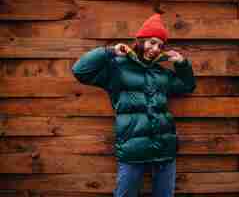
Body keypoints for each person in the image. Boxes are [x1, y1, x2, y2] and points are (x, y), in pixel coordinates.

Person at [72, 13, 196, 197]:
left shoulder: (161, 73)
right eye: (152, 42)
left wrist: (182, 64)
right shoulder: (117, 68)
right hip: (132, 149)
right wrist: (109, 51)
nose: (155, 48)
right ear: (140, 41)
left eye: (160, 45)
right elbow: (80, 71)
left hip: (164, 148)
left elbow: (187, 86)